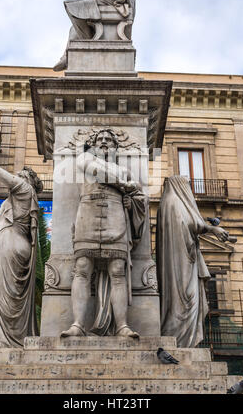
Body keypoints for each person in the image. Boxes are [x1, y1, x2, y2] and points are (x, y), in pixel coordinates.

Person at [61, 129, 146, 338]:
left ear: (116, 147)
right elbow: (95, 170)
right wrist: (125, 186)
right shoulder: (85, 158)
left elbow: (140, 196)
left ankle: (122, 326)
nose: (105, 142)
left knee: (117, 269)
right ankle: (78, 325)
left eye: (109, 140)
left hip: (115, 217)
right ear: (93, 144)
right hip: (87, 215)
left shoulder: (124, 171)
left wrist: (131, 201)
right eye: (100, 139)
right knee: (82, 267)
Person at [0, 150, 43, 348]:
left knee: (6, 297)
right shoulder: (28, 197)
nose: (16, 177)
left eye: (20, 175)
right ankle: (14, 340)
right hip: (17, 244)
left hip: (9, 243)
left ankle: (9, 342)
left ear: (26, 179)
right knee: (12, 296)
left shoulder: (22, 188)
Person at [156, 175, 229, 348]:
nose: (189, 189)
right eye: (187, 185)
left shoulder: (167, 202)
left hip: (180, 259)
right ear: (180, 185)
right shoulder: (174, 202)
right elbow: (189, 223)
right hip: (182, 264)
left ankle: (183, 338)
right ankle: (182, 340)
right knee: (187, 300)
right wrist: (212, 228)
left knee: (185, 299)